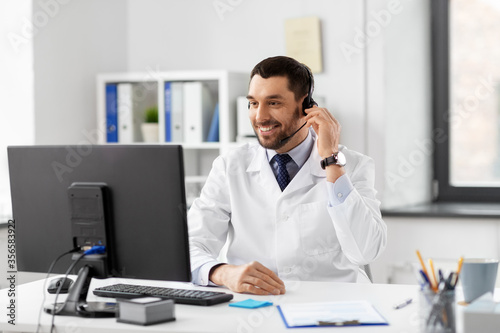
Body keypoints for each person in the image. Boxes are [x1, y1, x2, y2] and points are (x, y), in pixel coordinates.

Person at [188, 56, 387, 295]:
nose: (260, 116)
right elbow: (190, 246)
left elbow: (365, 250)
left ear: (306, 107)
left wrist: (331, 160)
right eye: (253, 103)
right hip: (255, 305)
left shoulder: (354, 165)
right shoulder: (230, 167)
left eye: (273, 103)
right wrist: (222, 272)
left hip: (334, 306)